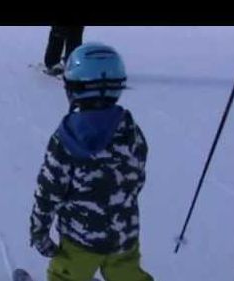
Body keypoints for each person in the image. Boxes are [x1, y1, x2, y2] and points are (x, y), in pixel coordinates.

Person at [30, 42, 154, 281]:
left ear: (73, 88)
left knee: (65, 276)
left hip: (80, 240)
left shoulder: (65, 140)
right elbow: (136, 178)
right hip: (124, 236)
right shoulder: (130, 131)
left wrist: (39, 232)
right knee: (128, 274)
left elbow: (48, 191)